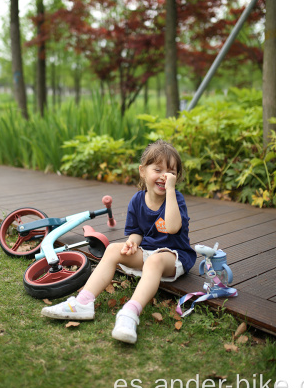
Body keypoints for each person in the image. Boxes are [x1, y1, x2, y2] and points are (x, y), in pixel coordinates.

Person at [41, 139, 196, 344]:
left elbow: (174, 227)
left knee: (155, 261)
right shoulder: (137, 200)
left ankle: (130, 313)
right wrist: (132, 242)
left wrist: (170, 191)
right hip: (149, 253)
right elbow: (136, 232)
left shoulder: (176, 198)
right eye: (157, 169)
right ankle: (83, 302)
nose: (164, 176)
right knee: (114, 249)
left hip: (174, 256)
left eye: (171, 172)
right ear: (142, 171)